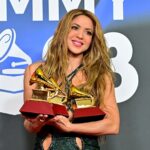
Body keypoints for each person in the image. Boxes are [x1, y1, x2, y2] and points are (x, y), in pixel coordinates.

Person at [23, 9, 120, 150]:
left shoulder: (101, 76)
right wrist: (38, 121)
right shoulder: (34, 71)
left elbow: (113, 125)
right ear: (63, 30)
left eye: (88, 32)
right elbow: (29, 124)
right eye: (75, 27)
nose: (80, 36)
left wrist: (71, 127)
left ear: (92, 40)